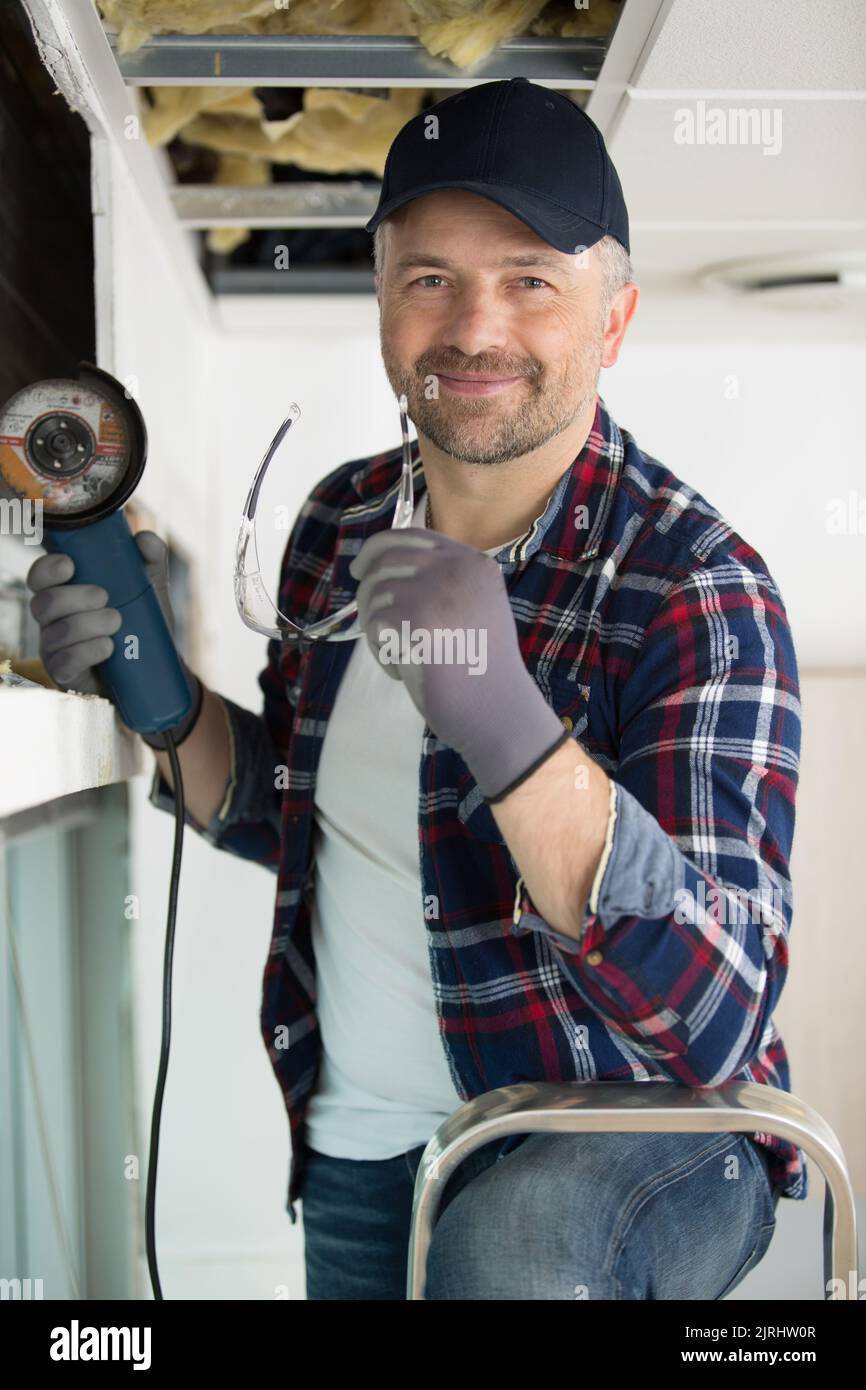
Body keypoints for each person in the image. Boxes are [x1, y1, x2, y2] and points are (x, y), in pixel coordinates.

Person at [27, 78, 803, 1301]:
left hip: (615, 1133)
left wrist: (504, 720)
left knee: (510, 1251)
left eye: (530, 278)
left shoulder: (694, 586)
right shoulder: (338, 520)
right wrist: (163, 705)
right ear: (383, 300)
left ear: (613, 318)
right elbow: (304, 823)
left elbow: (711, 1013)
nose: (473, 325)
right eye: (428, 276)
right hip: (359, 1147)